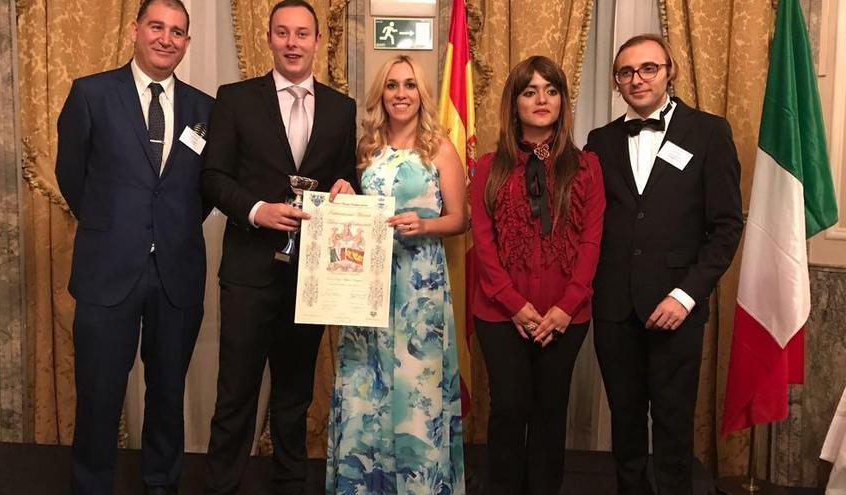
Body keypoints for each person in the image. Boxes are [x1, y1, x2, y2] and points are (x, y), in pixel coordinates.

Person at [54, 0, 213, 493]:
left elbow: (204, 191)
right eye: (157, 27)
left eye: (178, 32)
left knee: (167, 393)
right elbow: (71, 176)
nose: (167, 39)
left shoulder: (205, 108)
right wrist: (114, 226)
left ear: (187, 42)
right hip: (108, 270)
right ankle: (91, 484)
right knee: (99, 393)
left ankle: (161, 483)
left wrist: (165, 227)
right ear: (134, 31)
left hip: (176, 271)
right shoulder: (91, 94)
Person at [200, 0, 357, 493]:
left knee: (294, 399)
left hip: (311, 278)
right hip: (249, 271)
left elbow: (345, 178)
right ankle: (222, 485)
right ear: (268, 39)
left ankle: (290, 483)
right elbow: (212, 177)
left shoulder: (341, 107)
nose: (293, 43)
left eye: (303, 34)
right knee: (236, 395)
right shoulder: (235, 98)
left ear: (317, 41)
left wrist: (347, 189)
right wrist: (256, 210)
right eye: (283, 33)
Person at [585, 34, 743, 495]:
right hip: (614, 307)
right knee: (626, 424)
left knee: (674, 425)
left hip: (677, 307)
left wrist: (686, 295)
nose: (637, 79)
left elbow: (727, 226)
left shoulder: (710, 132)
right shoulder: (600, 140)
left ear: (669, 70)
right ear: (616, 82)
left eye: (647, 68)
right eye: (626, 72)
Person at [325, 54, 468, 494]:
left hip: (418, 289)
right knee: (363, 387)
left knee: (416, 392)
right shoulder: (366, 148)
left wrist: (425, 225)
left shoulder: (439, 147)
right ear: (381, 94)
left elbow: (461, 219)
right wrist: (345, 191)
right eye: (392, 86)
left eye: (409, 86)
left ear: (420, 94)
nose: (400, 94)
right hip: (367, 287)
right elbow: (355, 213)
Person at [469, 55, 605, 494]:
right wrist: (513, 305)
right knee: (509, 408)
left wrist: (567, 307)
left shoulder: (588, 167)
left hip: (567, 316)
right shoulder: (488, 168)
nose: (541, 99)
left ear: (563, 101)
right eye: (530, 91)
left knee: (550, 412)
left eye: (551, 90)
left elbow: (591, 242)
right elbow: (484, 246)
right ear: (515, 104)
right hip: (498, 314)